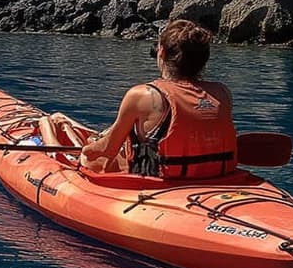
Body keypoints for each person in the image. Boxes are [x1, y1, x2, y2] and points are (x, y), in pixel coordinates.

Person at [80, 18, 238, 178]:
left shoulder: (143, 95)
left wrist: (87, 148)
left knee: (89, 159)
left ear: (161, 52)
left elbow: (107, 150)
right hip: (216, 178)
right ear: (204, 59)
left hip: (161, 183)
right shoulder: (223, 93)